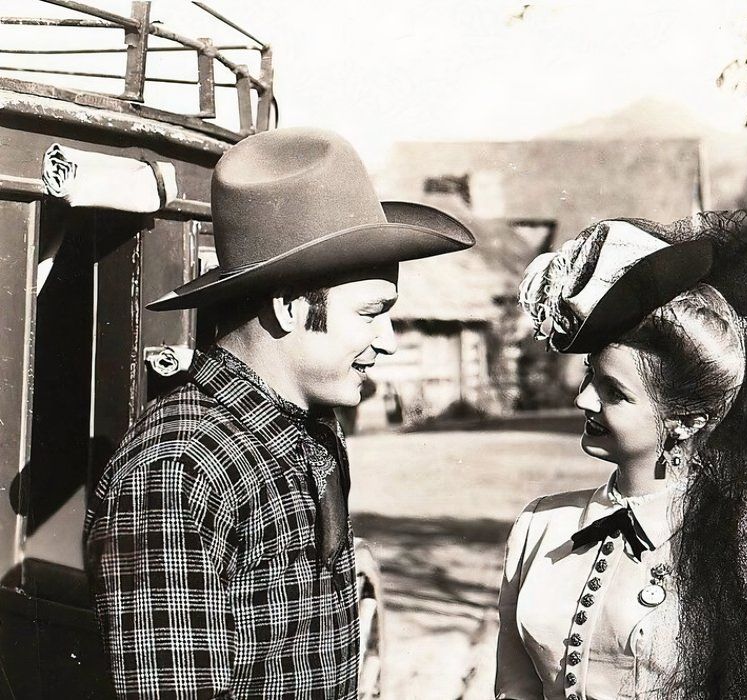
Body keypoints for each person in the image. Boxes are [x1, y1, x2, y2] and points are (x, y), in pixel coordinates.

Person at [84, 127, 474, 698]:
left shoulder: (309, 434)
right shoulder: (179, 471)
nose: (388, 340)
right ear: (290, 307)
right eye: (371, 313)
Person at [496, 213, 747, 700]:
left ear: (685, 420)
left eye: (614, 392)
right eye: (588, 376)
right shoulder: (539, 526)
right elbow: (512, 685)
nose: (583, 401)